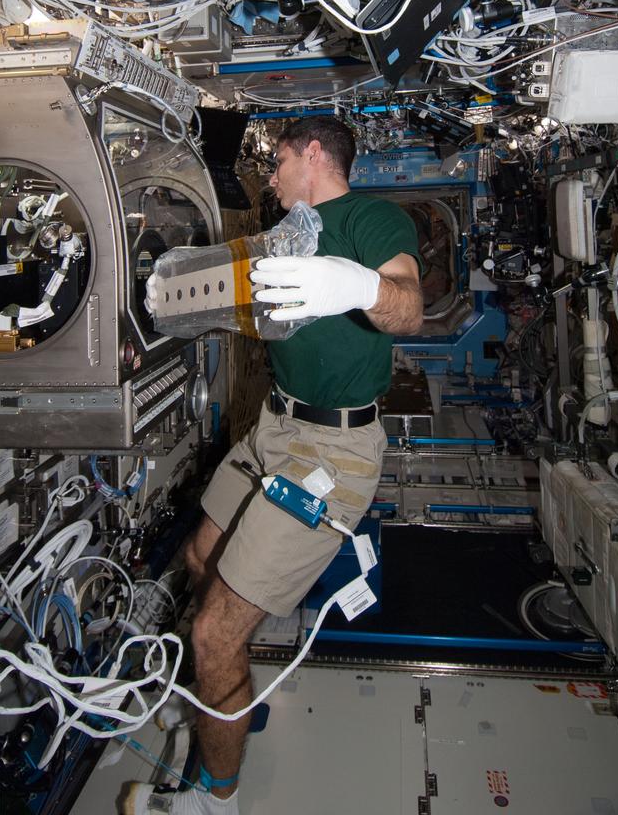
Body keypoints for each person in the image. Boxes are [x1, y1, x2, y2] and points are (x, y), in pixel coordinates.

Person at [152, 116, 422, 814]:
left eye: (275, 163)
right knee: (200, 557)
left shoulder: (371, 217)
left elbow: (409, 306)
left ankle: (217, 797)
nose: (268, 179)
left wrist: (357, 289)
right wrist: (173, 300)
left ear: (312, 154)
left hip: (333, 452)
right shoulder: (283, 236)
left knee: (212, 632)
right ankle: (229, 703)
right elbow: (242, 305)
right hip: (275, 427)